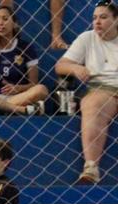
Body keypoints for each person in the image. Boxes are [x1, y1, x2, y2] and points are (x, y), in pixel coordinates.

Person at [55, 0, 118, 184]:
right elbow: (61, 65)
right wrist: (76, 69)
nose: (97, 22)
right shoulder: (87, 38)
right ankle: (91, 167)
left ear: (116, 20)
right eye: (94, 18)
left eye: (103, 17)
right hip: (102, 90)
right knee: (91, 104)